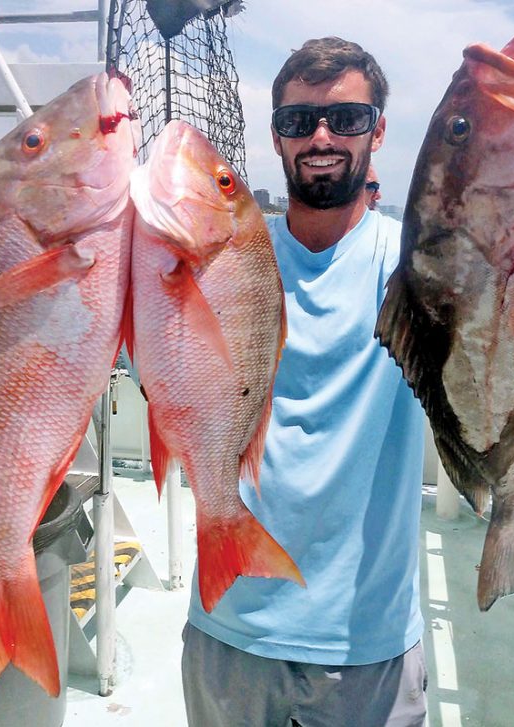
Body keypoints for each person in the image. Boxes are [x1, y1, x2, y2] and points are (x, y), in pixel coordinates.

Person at [182, 36, 426, 727]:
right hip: (229, 624)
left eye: (346, 118)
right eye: (298, 122)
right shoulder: (226, 257)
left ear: (378, 128)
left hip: (366, 640)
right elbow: (162, 376)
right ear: (276, 138)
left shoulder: (414, 263)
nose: (321, 136)